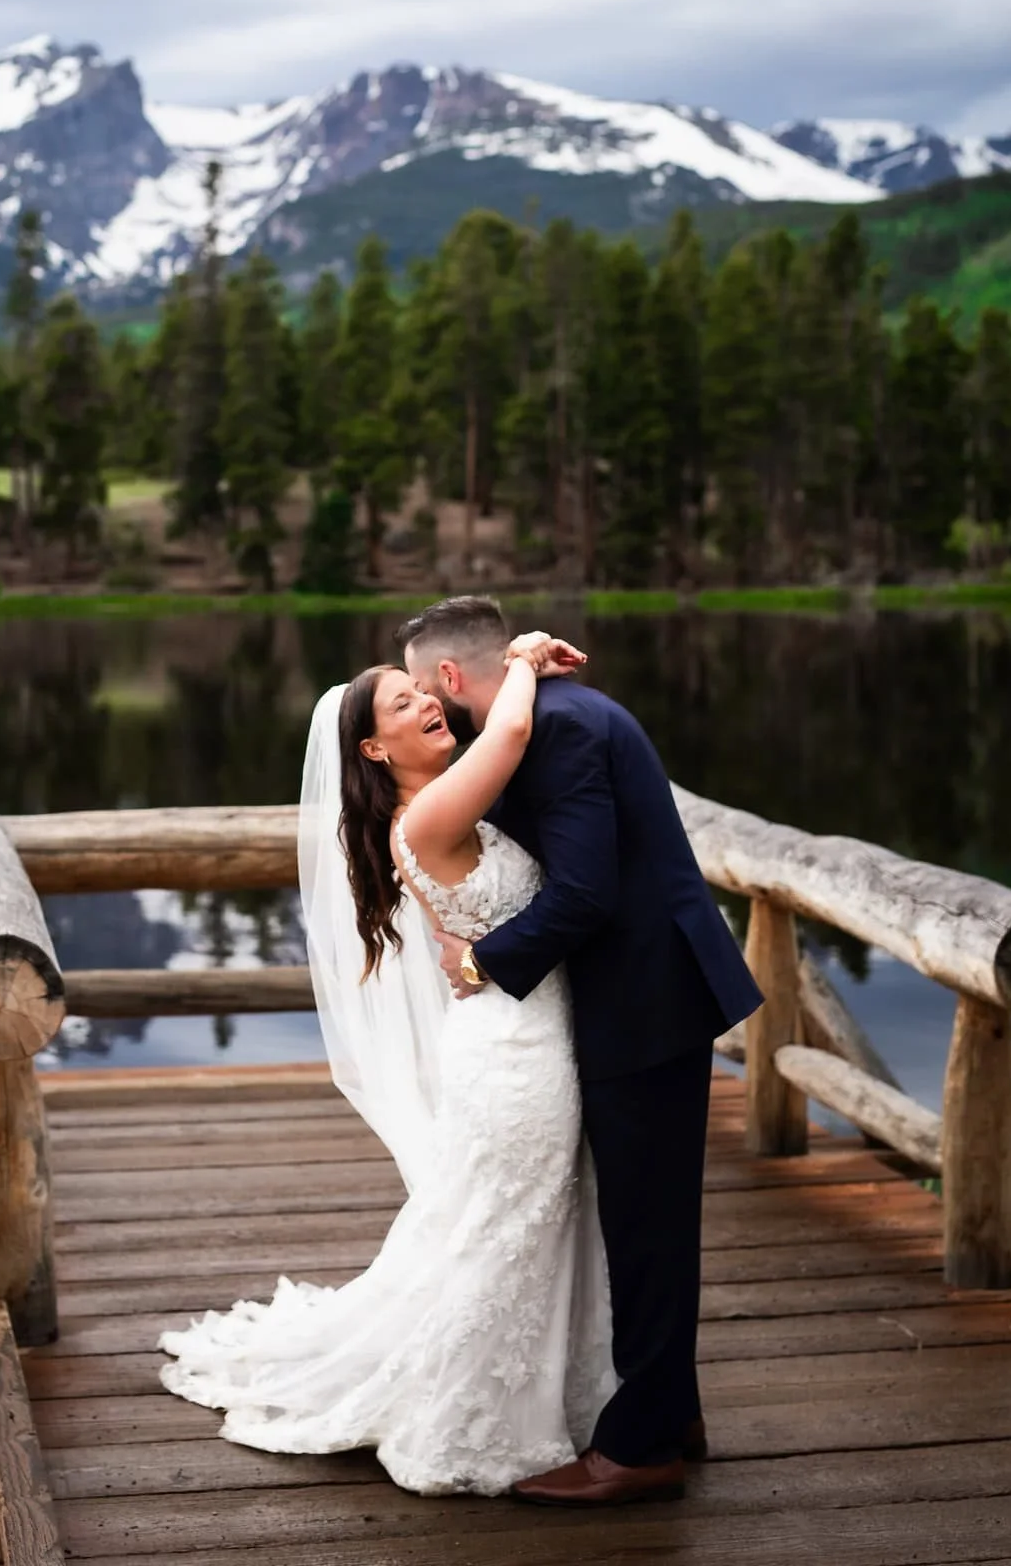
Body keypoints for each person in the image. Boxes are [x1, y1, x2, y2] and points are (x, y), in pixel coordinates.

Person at [159, 631, 622, 1495]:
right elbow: (512, 736)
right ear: (374, 748)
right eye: (401, 702)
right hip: (517, 1056)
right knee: (507, 1233)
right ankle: (467, 1422)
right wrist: (520, 659)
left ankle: (567, 1398)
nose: (425, 703)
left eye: (421, 691)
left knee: (520, 1226)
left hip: (521, 1032)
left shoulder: (445, 803)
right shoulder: (430, 816)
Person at [398, 595, 763, 1508]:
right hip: (642, 992)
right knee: (649, 1219)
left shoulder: (556, 727)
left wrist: (479, 960)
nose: (420, 703)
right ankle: (665, 1409)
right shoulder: (544, 715)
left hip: (644, 998)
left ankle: (638, 1449)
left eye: (416, 685)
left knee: (645, 1228)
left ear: (448, 677)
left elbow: (585, 894)